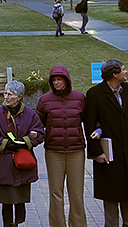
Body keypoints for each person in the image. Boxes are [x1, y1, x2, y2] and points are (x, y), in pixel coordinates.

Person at [84, 59, 128, 227]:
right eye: (123, 69)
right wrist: (97, 152)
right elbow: (89, 125)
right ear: (114, 74)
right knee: (111, 204)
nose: (126, 72)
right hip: (109, 157)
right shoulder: (95, 94)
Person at [0, 80, 45, 227]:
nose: (6, 97)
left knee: (20, 197)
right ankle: (8, 224)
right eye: (5, 93)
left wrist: (24, 142)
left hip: (23, 162)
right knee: (6, 199)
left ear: (20, 97)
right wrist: (3, 143)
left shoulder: (30, 114)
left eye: (10, 94)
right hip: (3, 163)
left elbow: (40, 133)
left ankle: (18, 222)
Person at [37, 66, 88, 227]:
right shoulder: (45, 100)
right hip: (54, 151)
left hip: (76, 151)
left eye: (59, 79)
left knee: (76, 194)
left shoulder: (79, 98)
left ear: (67, 80)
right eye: (54, 80)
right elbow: (38, 124)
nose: (57, 83)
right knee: (55, 193)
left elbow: (90, 119)